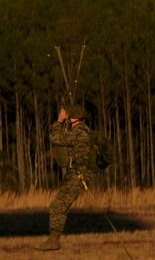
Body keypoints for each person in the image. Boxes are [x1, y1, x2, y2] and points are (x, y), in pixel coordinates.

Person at [41, 104, 114, 250]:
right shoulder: (82, 131)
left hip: (79, 175)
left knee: (58, 205)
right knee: (61, 204)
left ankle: (53, 240)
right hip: (78, 174)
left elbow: (55, 138)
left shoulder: (79, 133)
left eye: (69, 117)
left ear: (74, 118)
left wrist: (59, 120)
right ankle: (53, 238)